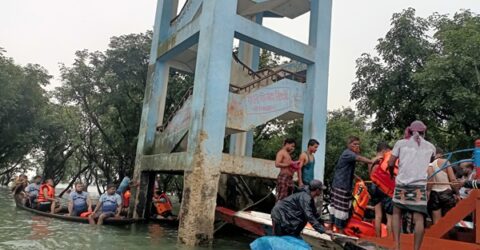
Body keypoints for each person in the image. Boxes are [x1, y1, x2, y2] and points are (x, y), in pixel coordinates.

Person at [388, 121, 436, 250]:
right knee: (419, 218)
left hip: (402, 183)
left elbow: (391, 162)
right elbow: (430, 162)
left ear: (409, 130)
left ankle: (397, 245)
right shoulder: (431, 147)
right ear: (424, 132)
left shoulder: (401, 143)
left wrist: (392, 173)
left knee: (397, 213)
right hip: (419, 186)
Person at [330, 136, 378, 233]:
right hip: (341, 185)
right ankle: (339, 230)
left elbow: (344, 168)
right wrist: (372, 161)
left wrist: (356, 177)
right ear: (349, 145)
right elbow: (359, 158)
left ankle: (333, 228)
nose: (357, 146)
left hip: (342, 184)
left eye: (358, 144)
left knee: (337, 207)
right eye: (354, 144)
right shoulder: (348, 153)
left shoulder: (348, 154)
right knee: (340, 208)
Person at [427, 147, 459, 224]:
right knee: (449, 221)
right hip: (446, 193)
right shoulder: (445, 162)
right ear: (441, 154)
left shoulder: (429, 165)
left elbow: (429, 180)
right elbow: (453, 179)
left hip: (434, 194)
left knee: (436, 222)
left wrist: (428, 191)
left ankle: (437, 236)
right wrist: (457, 192)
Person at [369, 142, 394, 237]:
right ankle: (390, 240)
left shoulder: (372, 160)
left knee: (378, 215)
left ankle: (378, 238)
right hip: (383, 187)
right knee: (390, 216)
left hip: (373, 186)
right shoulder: (384, 160)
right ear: (384, 150)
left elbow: (371, 175)